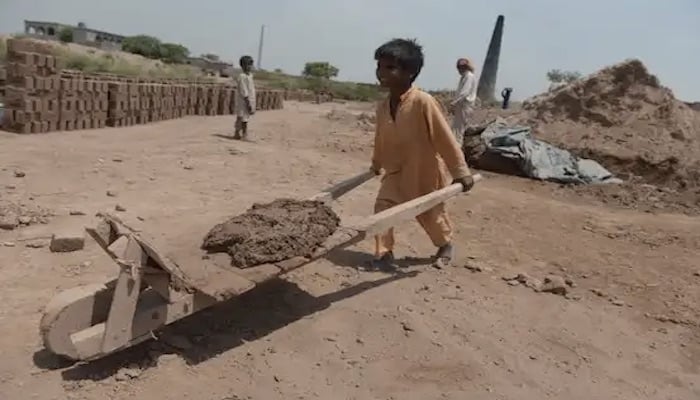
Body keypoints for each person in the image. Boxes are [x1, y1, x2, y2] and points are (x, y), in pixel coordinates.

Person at [370, 38, 475, 270]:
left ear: (410, 72)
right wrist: (376, 163)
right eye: (379, 66)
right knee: (382, 209)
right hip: (395, 170)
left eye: (390, 68)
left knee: (431, 215)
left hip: (423, 170)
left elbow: (444, 137)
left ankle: (445, 245)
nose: (381, 72)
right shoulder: (382, 106)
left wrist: (460, 171)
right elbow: (381, 138)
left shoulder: (423, 102)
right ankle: (384, 253)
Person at [450, 58, 477, 146]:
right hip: (462, 105)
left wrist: (454, 103)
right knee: (457, 129)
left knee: (458, 130)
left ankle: (457, 150)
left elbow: (464, 92)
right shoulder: (465, 76)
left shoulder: (468, 76)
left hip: (464, 105)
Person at [234, 55, 256, 140]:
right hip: (244, 100)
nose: (250, 67)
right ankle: (241, 133)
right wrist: (248, 102)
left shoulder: (250, 76)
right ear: (242, 66)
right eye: (248, 65)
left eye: (251, 65)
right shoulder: (242, 76)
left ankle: (240, 133)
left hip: (249, 100)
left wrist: (252, 102)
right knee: (242, 118)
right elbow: (244, 90)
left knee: (244, 117)